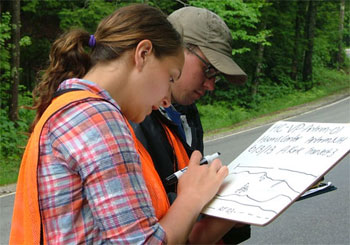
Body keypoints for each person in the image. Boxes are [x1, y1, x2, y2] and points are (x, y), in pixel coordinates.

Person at [9, 4, 230, 244]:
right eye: (170, 78)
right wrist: (192, 197)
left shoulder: (70, 107)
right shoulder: (97, 117)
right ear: (143, 53)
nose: (166, 99)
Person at [132, 6, 251, 244]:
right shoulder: (132, 119)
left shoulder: (186, 112)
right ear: (174, 50)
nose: (211, 85)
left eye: (215, 75)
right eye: (208, 70)